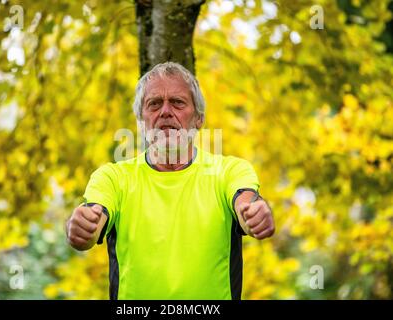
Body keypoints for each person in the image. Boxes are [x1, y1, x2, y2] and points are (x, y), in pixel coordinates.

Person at [65, 62, 275, 300]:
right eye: (154, 103)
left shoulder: (229, 171)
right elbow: (91, 221)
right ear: (140, 121)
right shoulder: (113, 178)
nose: (165, 111)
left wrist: (257, 213)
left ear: (198, 119)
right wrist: (80, 227)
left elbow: (246, 203)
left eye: (177, 102)